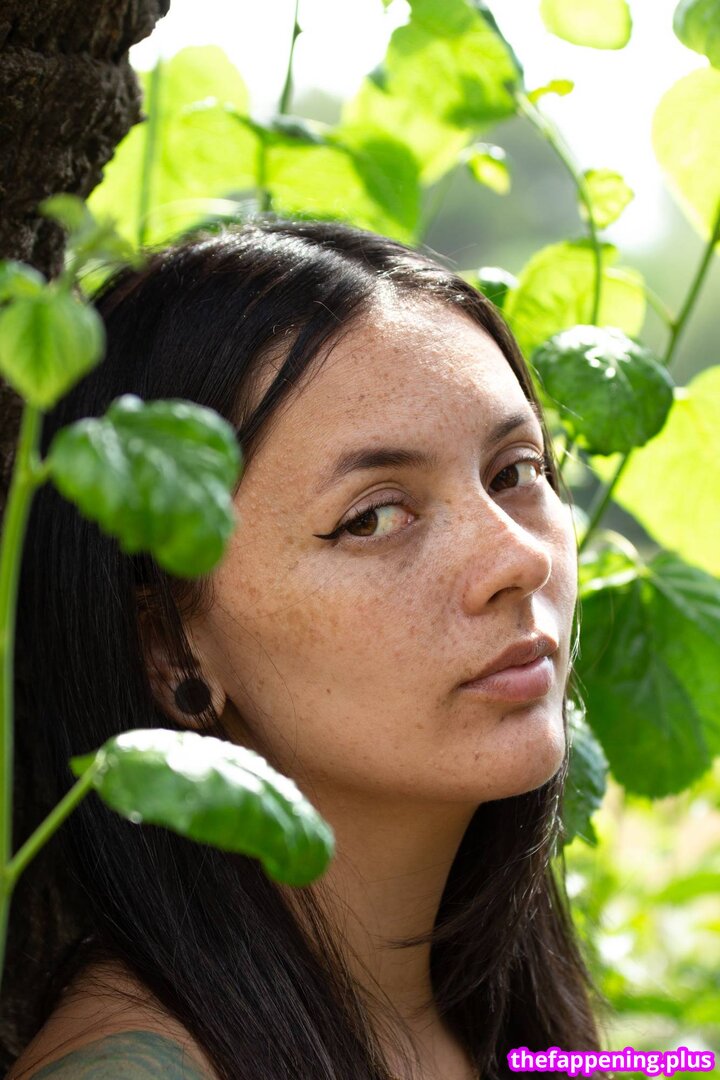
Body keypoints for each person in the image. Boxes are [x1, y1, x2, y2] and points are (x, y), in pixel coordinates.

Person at [2, 220, 611, 1079]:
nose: (520, 558)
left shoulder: (494, 1021)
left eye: (515, 472)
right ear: (171, 649)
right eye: (374, 517)